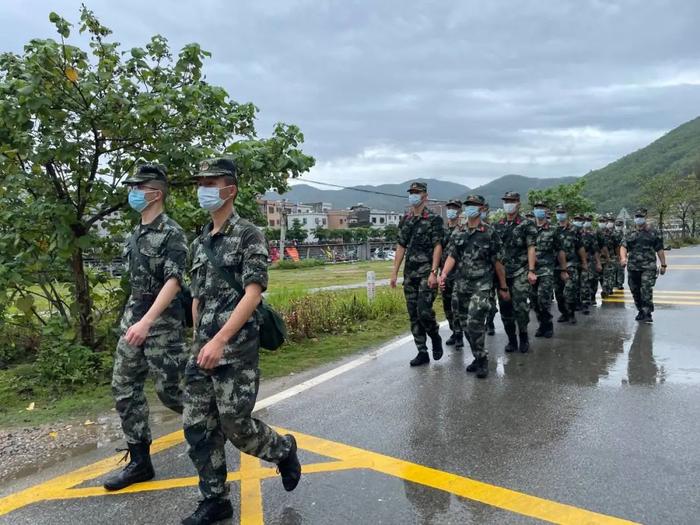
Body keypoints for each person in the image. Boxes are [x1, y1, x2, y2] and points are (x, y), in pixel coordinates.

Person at [182, 158, 301, 524]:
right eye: (200, 181)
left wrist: (219, 340)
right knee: (198, 427)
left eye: (211, 182)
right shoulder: (200, 241)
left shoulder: (249, 234)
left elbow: (252, 293)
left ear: (229, 190)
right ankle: (215, 499)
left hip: (234, 349)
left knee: (236, 427)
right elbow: (197, 298)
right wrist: (198, 338)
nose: (203, 188)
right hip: (204, 347)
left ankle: (282, 450)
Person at [104, 163, 189, 491]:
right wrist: (133, 321)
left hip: (162, 326)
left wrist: (147, 321)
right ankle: (140, 462)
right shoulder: (135, 234)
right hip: (133, 320)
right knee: (123, 387)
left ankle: (220, 424)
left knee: (171, 392)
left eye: (138, 188)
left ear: (155, 193)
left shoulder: (172, 233)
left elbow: (174, 281)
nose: (133, 193)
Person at [440, 195, 508, 379]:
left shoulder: (489, 232)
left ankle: (482, 359)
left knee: (474, 322)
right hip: (461, 284)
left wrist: (503, 286)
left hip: (482, 284)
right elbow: (452, 256)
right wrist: (444, 274)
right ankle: (478, 356)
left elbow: (498, 262)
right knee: (464, 324)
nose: (470, 208)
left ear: (482, 208)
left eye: (474, 205)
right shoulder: (459, 231)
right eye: (468, 205)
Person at [390, 182, 444, 366]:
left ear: (425, 196)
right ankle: (422, 351)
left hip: (426, 273)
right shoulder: (406, 219)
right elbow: (400, 247)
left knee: (424, 312)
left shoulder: (434, 219)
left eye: (417, 192)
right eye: (411, 192)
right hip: (410, 274)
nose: (413, 195)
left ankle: (435, 336)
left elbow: (438, 246)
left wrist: (433, 272)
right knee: (413, 314)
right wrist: (394, 273)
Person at [493, 192, 537, 353]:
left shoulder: (527, 225)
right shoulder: (498, 225)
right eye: (506, 201)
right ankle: (511, 339)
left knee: (520, 307)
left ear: (518, 203)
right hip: (503, 274)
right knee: (505, 308)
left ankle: (524, 337)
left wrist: (531, 270)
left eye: (511, 201)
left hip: (521, 271)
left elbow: (531, 247)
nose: (508, 204)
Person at [620, 208, 667, 323]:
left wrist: (663, 265)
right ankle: (641, 310)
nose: (638, 219)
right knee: (634, 290)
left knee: (645, 289)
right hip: (633, 267)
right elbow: (623, 246)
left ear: (645, 218)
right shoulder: (630, 232)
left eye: (640, 217)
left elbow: (659, 249)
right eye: (636, 217)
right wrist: (623, 258)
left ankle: (647, 312)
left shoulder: (653, 232)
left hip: (648, 267)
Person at [531, 202, 567, 338]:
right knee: (534, 301)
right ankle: (542, 324)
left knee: (543, 298)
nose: (539, 210)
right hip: (531, 269)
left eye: (542, 208)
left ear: (546, 211)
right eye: (537, 208)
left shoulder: (554, 230)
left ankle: (548, 324)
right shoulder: (529, 228)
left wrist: (563, 270)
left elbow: (560, 251)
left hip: (547, 269)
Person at [554, 204, 588, 325]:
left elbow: (580, 247)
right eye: (558, 212)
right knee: (558, 293)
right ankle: (563, 313)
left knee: (569, 291)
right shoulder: (554, 229)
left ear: (567, 214)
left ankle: (571, 313)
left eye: (562, 212)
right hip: (556, 266)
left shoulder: (574, 230)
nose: (560, 214)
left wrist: (584, 262)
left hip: (571, 264)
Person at [440, 200, 464, 350]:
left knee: (456, 306)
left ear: (459, 211)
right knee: (447, 306)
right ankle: (454, 332)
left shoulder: (463, 230)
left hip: (459, 274)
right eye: (449, 208)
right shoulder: (442, 230)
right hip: (444, 274)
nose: (451, 210)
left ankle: (459, 333)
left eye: (454, 208)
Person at [578, 214, 602, 315]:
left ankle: (585, 303)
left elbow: (595, 250)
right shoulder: (572, 233)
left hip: (588, 261)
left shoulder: (590, 235)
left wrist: (598, 263)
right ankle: (576, 303)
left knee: (586, 282)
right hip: (574, 262)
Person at [480, 200, 498, 336]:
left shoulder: (493, 228)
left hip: (490, 272)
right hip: (475, 273)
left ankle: (490, 322)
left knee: (490, 301)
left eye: (483, 209)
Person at [598, 215, 620, 297]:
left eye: (603, 221)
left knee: (608, 275)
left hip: (610, 257)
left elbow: (617, 246)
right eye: (600, 221)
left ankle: (606, 290)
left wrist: (618, 257)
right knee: (601, 276)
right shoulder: (596, 233)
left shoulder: (612, 234)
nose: (602, 223)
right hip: (599, 258)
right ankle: (606, 288)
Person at [614, 219, 626, 289]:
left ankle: (620, 283)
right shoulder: (612, 233)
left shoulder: (623, 234)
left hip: (621, 255)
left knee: (621, 269)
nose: (618, 227)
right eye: (617, 225)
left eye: (619, 225)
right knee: (614, 270)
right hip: (614, 254)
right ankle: (615, 283)